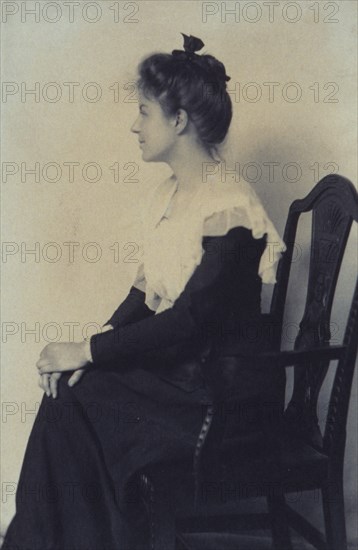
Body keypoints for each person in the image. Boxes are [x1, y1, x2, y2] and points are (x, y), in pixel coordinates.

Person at [3, 34, 286, 550]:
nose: (135, 125)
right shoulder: (175, 197)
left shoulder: (230, 209)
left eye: (144, 112)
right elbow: (145, 291)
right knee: (67, 389)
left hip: (220, 396)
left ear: (178, 121)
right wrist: (94, 345)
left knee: (75, 400)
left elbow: (190, 321)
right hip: (182, 374)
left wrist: (88, 351)